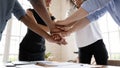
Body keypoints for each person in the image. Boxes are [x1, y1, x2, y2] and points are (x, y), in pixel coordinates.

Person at [60, 0, 108, 65]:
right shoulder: (70, 12)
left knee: (103, 64)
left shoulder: (91, 5)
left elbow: (92, 17)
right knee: (83, 66)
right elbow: (67, 26)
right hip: (82, 45)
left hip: (97, 40)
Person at [0, 0, 67, 46]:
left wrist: (48, 37)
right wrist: (52, 28)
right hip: (28, 45)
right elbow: (36, 2)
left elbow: (24, 17)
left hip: (40, 46)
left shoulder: (12, 2)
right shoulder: (30, 11)